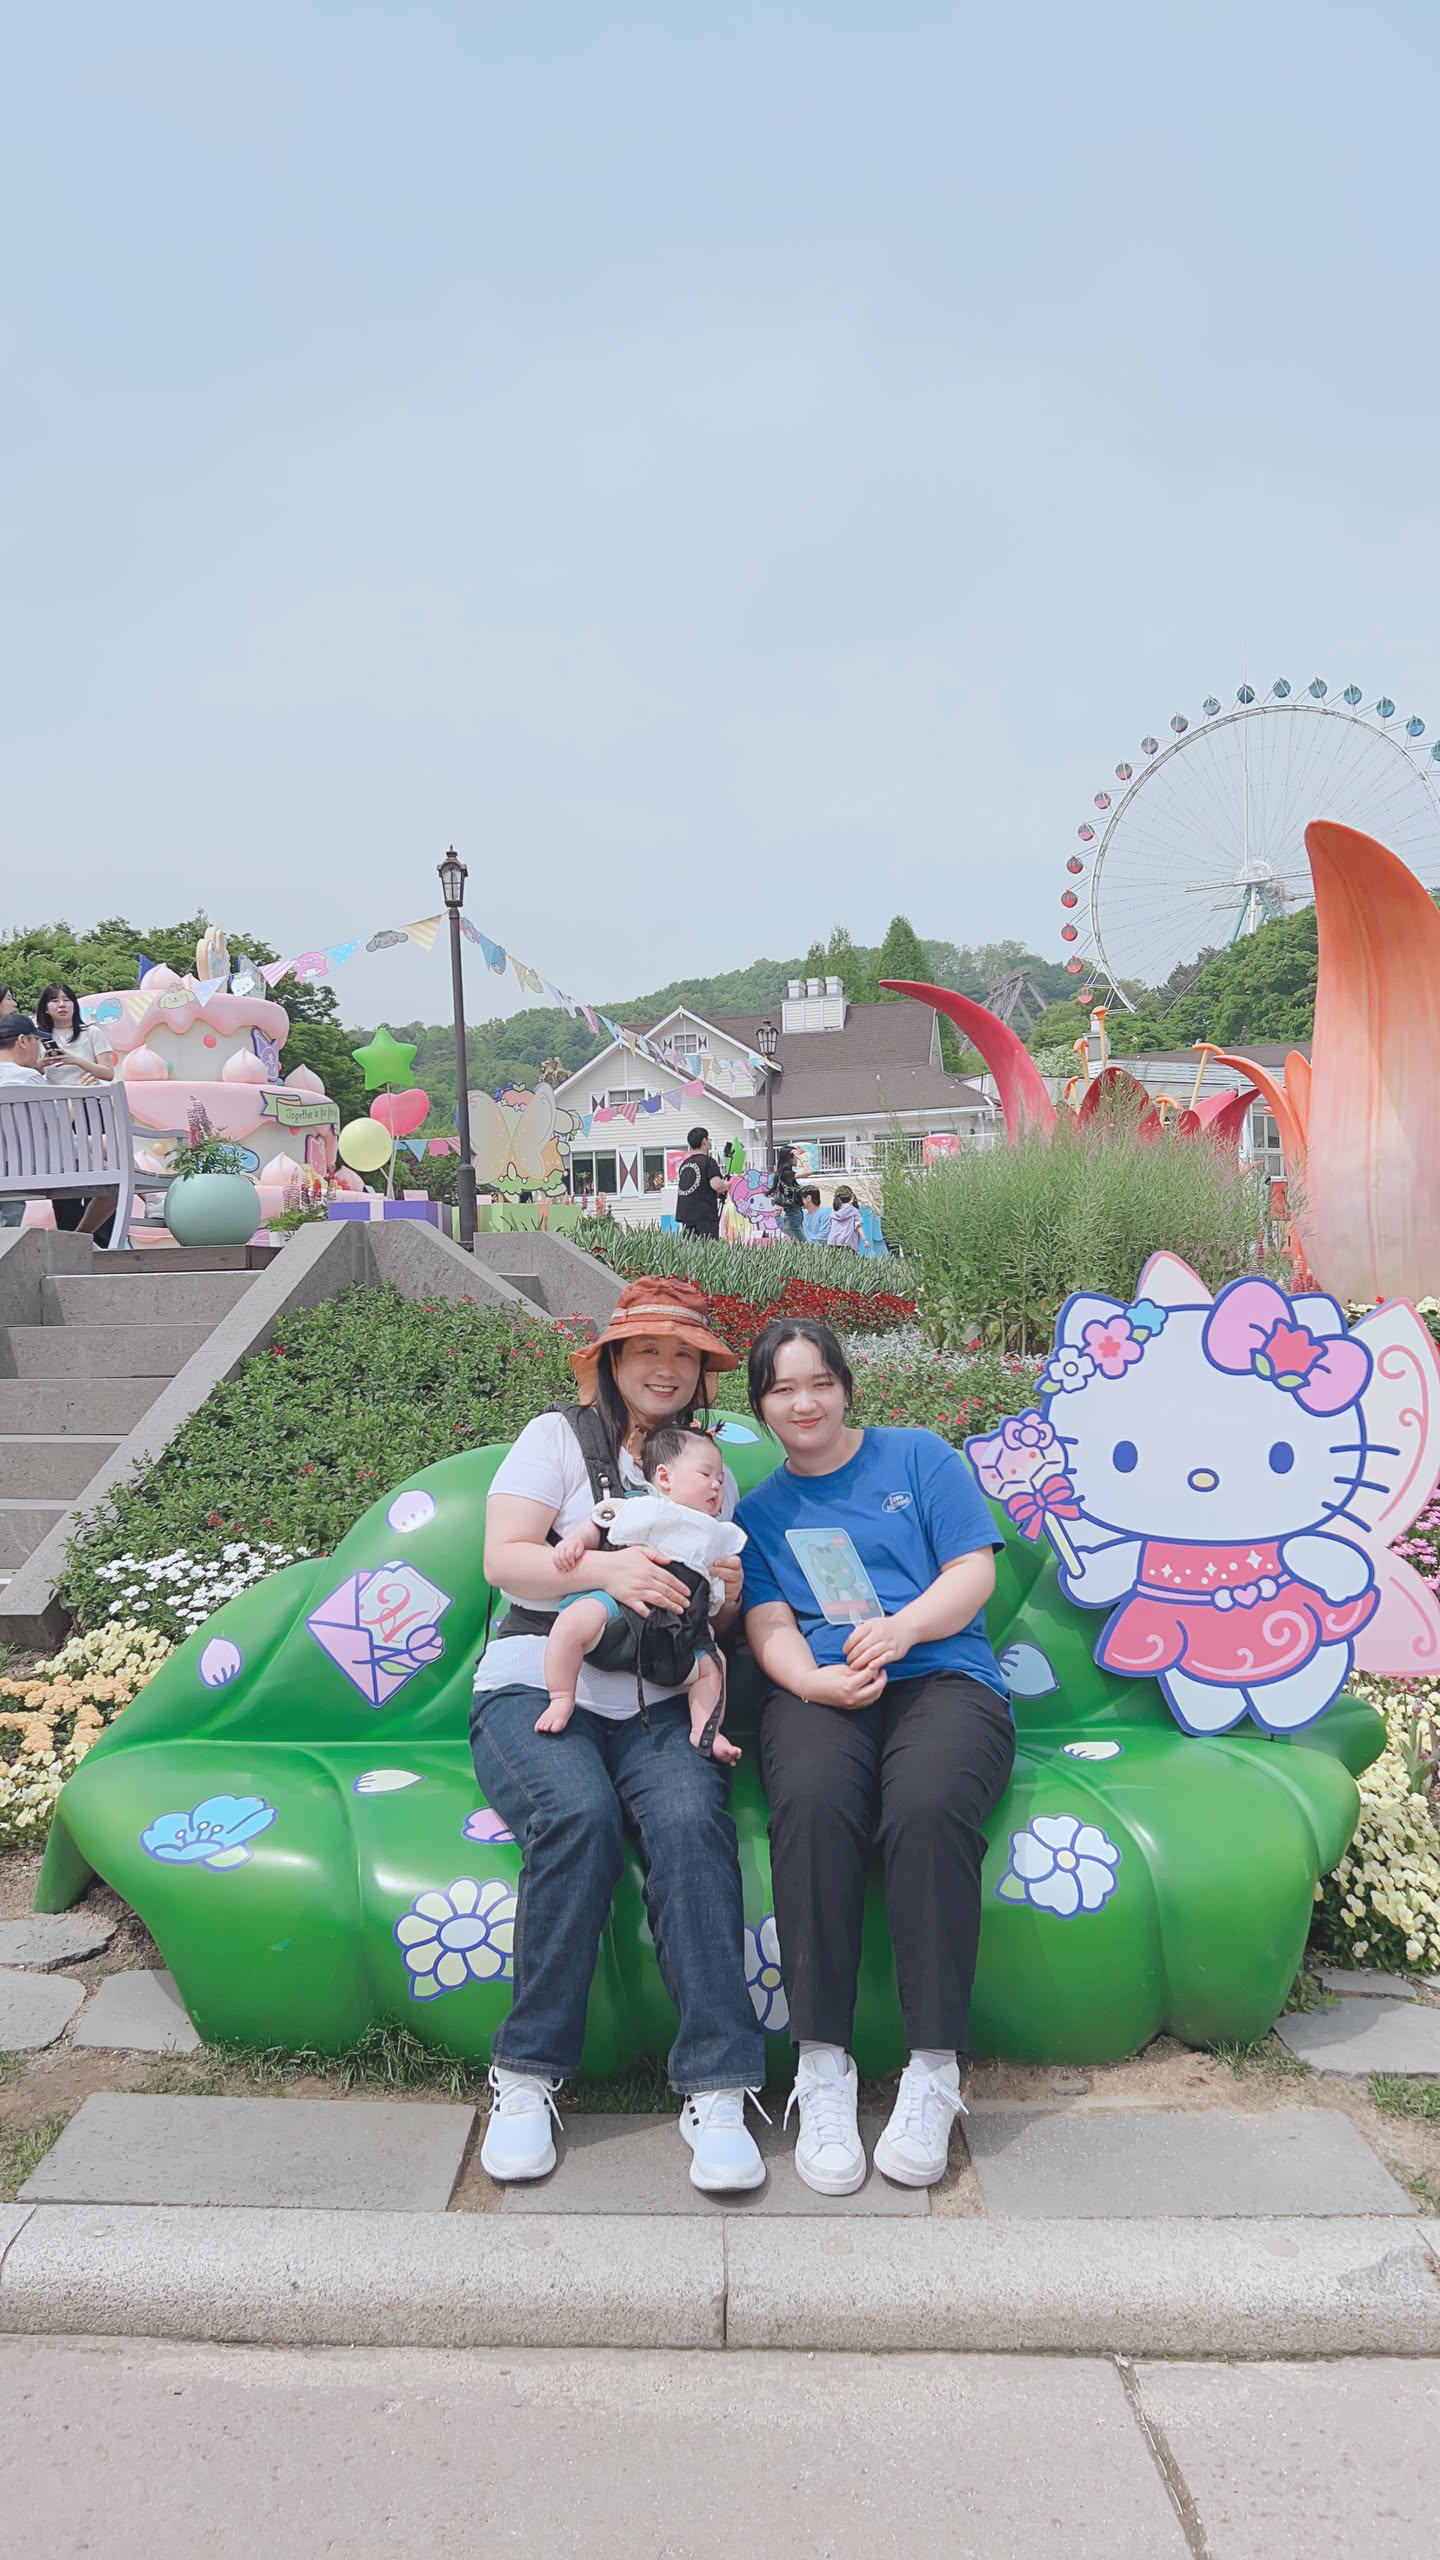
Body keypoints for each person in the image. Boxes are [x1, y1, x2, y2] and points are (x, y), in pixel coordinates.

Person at [470, 1276, 768, 2191]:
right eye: (649, 1350)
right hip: (539, 1680)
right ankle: (526, 2074)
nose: (667, 1368)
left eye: (686, 1354)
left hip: (658, 1698)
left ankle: (719, 2086)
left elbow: (708, 1610)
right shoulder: (557, 1437)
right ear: (610, 1360)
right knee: (579, 1817)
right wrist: (607, 1570)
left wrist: (722, 1602)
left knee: (689, 1824)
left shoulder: (708, 1471)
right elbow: (505, 1560)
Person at [738, 1316, 1014, 2197]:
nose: (804, 1402)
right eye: (783, 1389)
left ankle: (933, 2070)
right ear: (761, 1406)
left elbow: (973, 1571)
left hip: (943, 1676)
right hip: (826, 1689)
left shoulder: (918, 1457)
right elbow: (768, 1623)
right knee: (814, 1803)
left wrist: (903, 1630)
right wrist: (810, 1683)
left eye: (819, 1382)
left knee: (927, 1807)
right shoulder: (760, 1513)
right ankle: (823, 2067)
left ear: (847, 1386)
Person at [540, 1422, 746, 1767]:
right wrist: (576, 1541)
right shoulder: (641, 1505)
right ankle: (561, 1696)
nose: (716, 1484)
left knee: (715, 1663)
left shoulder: (716, 1534)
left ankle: (704, 1727)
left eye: (721, 1480)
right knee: (572, 1623)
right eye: (706, 1474)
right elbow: (599, 1525)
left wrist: (727, 1594)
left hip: (675, 1632)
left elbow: (714, 1601)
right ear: (664, 1478)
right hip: (619, 1607)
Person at [0, 1015, 46, 1227]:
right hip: (36, 1163)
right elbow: (56, 1123)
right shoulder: (28, 1077)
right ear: (23, 1040)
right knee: (111, 1147)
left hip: (5, 1165)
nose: (39, 1048)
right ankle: (147, 1199)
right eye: (37, 1040)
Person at [36, 984, 115, 1086]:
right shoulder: (38, 1037)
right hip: (56, 1094)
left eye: (67, 1000)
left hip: (90, 1093)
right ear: (45, 1008)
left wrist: (75, 1061)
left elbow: (108, 1074)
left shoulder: (92, 1032)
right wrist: (42, 1063)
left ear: (74, 1006)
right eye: (55, 1001)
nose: (62, 1005)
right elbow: (29, 1076)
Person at [674, 1126, 728, 1239]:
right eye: (708, 1140)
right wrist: (728, 1184)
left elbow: (699, 1187)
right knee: (707, 1247)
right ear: (704, 1141)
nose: (709, 1143)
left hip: (686, 1215)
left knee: (690, 1246)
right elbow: (717, 1185)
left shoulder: (684, 1164)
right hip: (705, 1216)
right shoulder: (708, 1162)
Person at [770, 1145, 804, 1243]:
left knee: (796, 1242)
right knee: (803, 1244)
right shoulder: (787, 1173)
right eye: (795, 1156)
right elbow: (808, 1171)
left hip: (790, 1212)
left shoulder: (782, 1173)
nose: (796, 1159)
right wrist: (801, 1158)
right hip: (794, 1212)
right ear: (790, 1157)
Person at [826, 1184, 864, 1250]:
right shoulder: (854, 1211)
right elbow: (858, 1226)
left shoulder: (833, 1211)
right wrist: (865, 1239)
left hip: (833, 1243)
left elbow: (830, 1226)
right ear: (851, 1197)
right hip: (849, 1244)